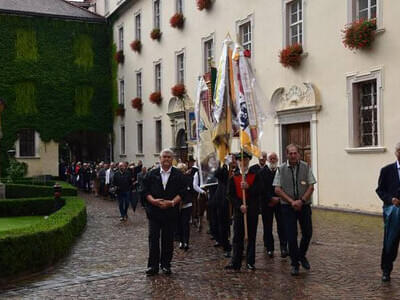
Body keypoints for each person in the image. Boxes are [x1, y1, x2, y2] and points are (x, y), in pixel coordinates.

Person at [274, 144, 316, 276]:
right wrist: (292, 202)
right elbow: (277, 189)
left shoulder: (306, 166)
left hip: (304, 205)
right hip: (287, 207)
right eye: (290, 153)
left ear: (298, 154)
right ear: (287, 154)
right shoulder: (280, 169)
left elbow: (311, 186)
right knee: (291, 237)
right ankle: (295, 264)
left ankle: (301, 255)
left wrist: (301, 201)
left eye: (295, 153)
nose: (293, 155)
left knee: (308, 233)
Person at [143, 149, 186, 276]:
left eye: (169, 157)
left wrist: (172, 203)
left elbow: (183, 192)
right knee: (153, 239)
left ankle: (166, 265)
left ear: (172, 159)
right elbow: (144, 191)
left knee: (168, 240)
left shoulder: (178, 175)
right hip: (154, 212)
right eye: (164, 157)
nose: (166, 159)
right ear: (160, 159)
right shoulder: (152, 174)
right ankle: (153, 266)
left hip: (170, 212)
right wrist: (153, 201)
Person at [225, 151, 259, 271]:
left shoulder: (255, 175)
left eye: (245, 160)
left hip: (252, 210)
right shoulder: (234, 177)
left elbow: (260, 192)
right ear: (237, 162)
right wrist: (239, 206)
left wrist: (249, 188)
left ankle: (250, 261)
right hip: (239, 211)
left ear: (249, 161)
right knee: (237, 237)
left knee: (251, 237)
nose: (243, 162)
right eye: (240, 160)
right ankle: (236, 262)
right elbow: (230, 195)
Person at [376, 142, 400, 282]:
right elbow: (380, 190)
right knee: (390, 242)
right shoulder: (386, 170)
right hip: (392, 211)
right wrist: (391, 199)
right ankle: (386, 269)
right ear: (396, 152)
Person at [258, 152, 288, 258]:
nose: (272, 160)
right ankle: (269, 248)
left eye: (274, 158)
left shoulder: (282, 171)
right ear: (268, 160)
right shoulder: (262, 172)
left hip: (280, 203)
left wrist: (279, 198)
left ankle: (284, 247)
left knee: (282, 226)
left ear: (277, 159)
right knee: (267, 226)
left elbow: (285, 186)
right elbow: (261, 188)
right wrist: (270, 198)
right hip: (267, 203)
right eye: (271, 158)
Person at [176, 163, 192, 250]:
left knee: (185, 223)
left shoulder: (188, 179)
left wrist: (184, 200)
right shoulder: (175, 179)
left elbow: (190, 190)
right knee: (179, 224)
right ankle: (181, 241)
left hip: (186, 204)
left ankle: (186, 241)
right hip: (178, 205)